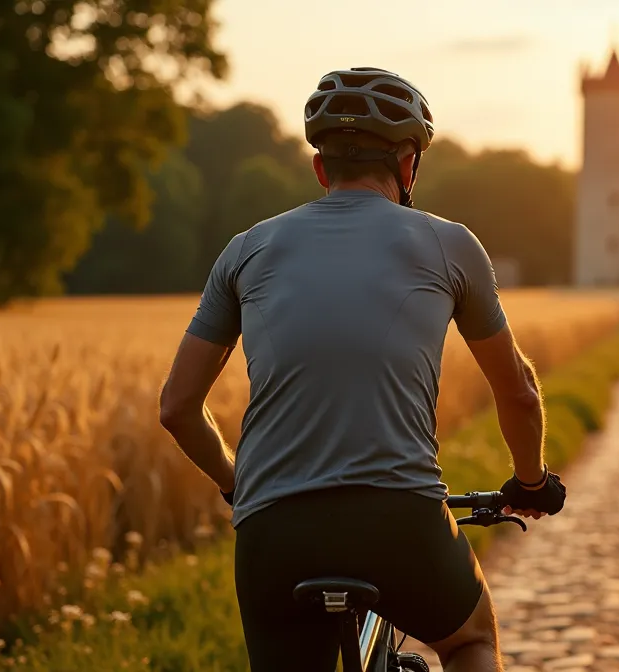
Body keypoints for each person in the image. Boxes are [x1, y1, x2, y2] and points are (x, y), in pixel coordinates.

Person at [157, 67, 566, 672]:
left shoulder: (245, 250)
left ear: (321, 168)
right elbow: (521, 395)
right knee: (469, 639)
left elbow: (177, 408)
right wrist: (530, 482)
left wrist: (236, 483)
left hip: (275, 532)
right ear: (408, 164)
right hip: (397, 518)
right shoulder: (450, 245)